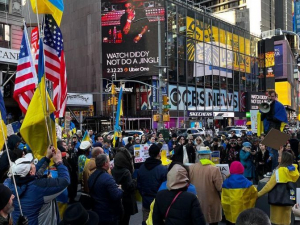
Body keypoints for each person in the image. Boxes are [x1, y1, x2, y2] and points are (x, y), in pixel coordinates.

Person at [4, 147, 70, 225]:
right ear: (31, 172)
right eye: (31, 164)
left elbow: (32, 175)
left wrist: (47, 158)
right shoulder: (38, 188)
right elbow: (65, 181)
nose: (34, 164)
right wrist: (59, 162)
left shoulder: (8, 183)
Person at [258, 151, 300, 225]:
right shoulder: (293, 171)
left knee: (276, 222)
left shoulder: (279, 172)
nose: (278, 157)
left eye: (280, 156)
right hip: (288, 202)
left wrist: (257, 195)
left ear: (284, 159)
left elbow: (268, 186)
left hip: (277, 202)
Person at [189, 148, 223, 225]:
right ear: (209, 156)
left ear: (198, 156)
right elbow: (219, 187)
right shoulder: (214, 169)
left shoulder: (191, 167)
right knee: (212, 220)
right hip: (211, 201)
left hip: (196, 200)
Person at [88, 154, 123, 225]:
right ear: (105, 163)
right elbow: (116, 196)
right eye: (109, 161)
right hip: (108, 213)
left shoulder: (92, 176)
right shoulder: (108, 178)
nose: (110, 163)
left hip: (96, 209)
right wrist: (120, 189)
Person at [137, 143, 167, 224]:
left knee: (146, 221)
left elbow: (139, 184)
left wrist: (143, 194)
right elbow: (165, 187)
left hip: (146, 201)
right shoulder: (162, 169)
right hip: (159, 202)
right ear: (158, 153)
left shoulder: (142, 167)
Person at [112, 148, 138, 225]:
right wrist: (135, 181)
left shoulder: (113, 169)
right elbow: (130, 186)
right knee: (126, 220)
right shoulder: (126, 172)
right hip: (127, 199)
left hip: (118, 198)